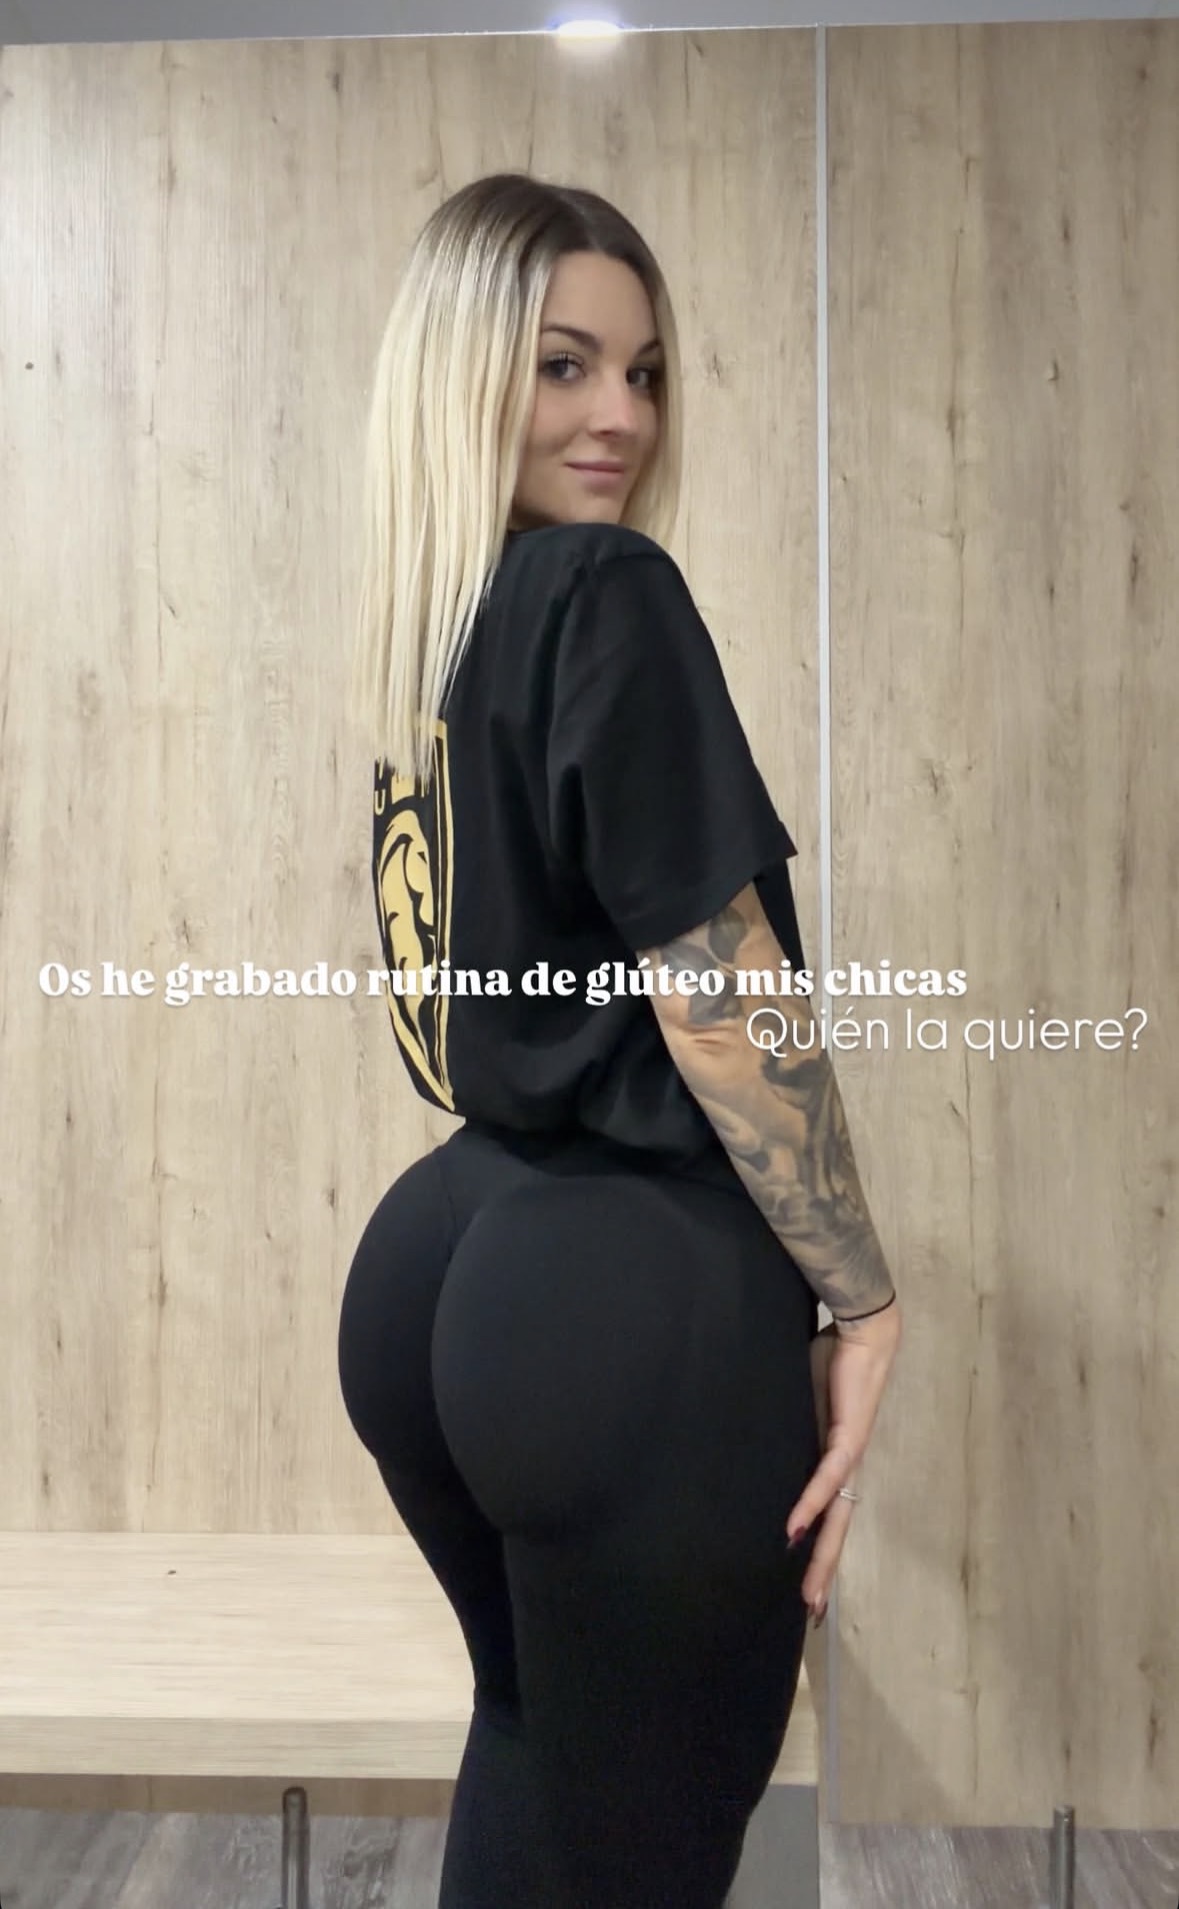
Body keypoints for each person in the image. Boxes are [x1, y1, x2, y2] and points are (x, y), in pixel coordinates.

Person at [337, 172, 902, 1909]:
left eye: (646, 373)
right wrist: (865, 1297)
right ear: (465, 371)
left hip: (445, 1262)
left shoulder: (438, 620)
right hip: (622, 1305)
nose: (621, 417)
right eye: (565, 364)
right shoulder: (604, 586)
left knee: (534, 1758)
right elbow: (717, 991)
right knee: (639, 1852)